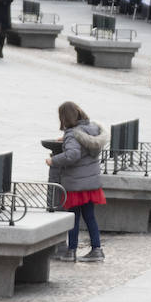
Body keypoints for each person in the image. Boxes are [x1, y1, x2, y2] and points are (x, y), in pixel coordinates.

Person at [47, 102, 109, 262]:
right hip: (91, 183)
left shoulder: (72, 134)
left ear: (64, 118)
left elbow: (72, 155)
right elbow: (81, 146)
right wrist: (67, 139)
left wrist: (53, 160)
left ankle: (71, 250)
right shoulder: (92, 129)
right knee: (90, 216)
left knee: (73, 216)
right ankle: (97, 250)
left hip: (76, 184)